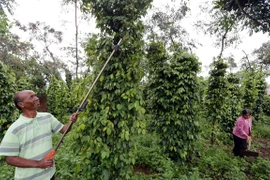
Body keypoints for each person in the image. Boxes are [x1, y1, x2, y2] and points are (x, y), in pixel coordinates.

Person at [0, 90, 79, 180]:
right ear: (21, 104)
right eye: (31, 97)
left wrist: (71, 121)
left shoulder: (47, 117)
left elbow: (64, 130)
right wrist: (38, 164)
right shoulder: (15, 129)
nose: (37, 98)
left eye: (35, 95)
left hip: (50, 174)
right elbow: (10, 159)